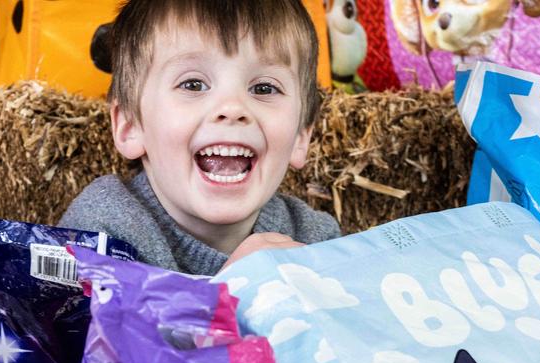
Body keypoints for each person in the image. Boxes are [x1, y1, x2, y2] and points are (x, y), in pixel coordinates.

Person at [59, 0, 340, 275]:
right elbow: (88, 322)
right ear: (130, 126)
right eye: (193, 84)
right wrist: (231, 288)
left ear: (302, 135)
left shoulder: (316, 242)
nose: (232, 108)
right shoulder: (101, 233)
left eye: (265, 88)